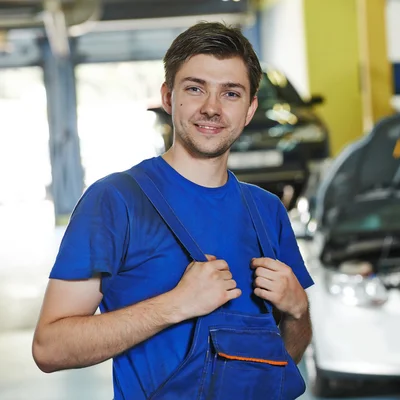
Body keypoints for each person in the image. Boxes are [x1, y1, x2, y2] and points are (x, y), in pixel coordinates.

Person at [32, 21, 314, 399]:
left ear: (249, 109)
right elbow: (50, 348)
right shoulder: (115, 200)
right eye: (195, 89)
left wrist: (298, 311)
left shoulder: (267, 211)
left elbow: (280, 362)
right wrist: (175, 305)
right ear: (168, 98)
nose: (211, 108)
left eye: (230, 94)